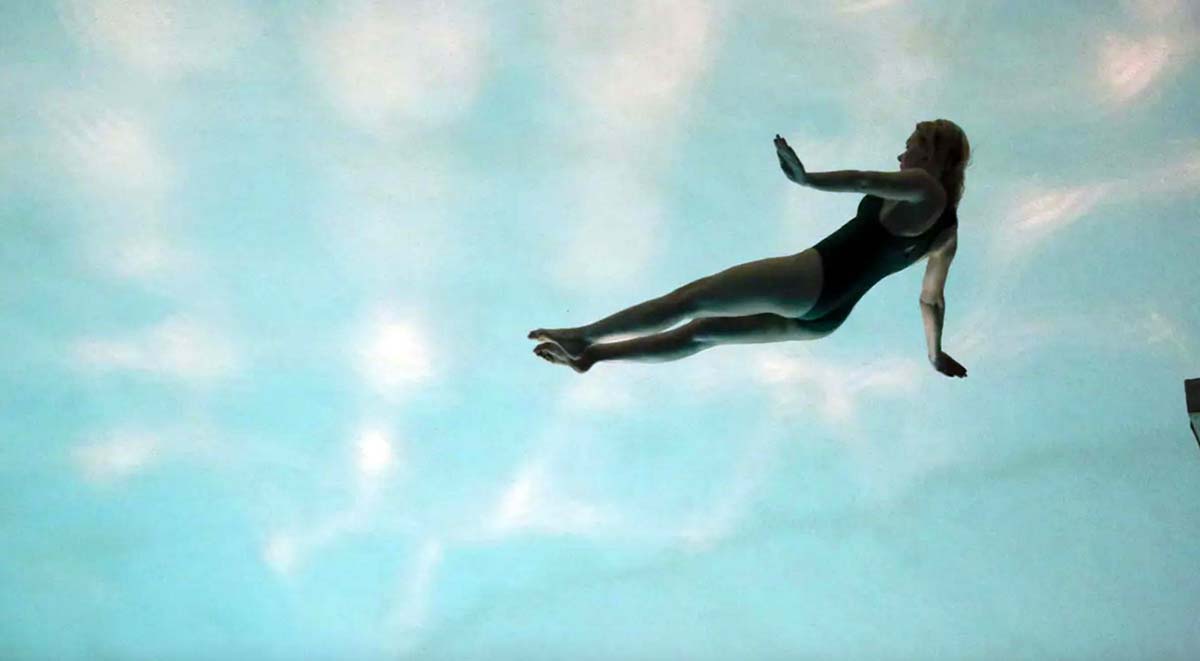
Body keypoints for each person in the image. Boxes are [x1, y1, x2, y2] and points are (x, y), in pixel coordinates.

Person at [530, 119, 971, 379]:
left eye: (911, 145)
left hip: (811, 280)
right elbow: (931, 299)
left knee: (692, 300)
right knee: (702, 333)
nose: (902, 153)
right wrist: (933, 354)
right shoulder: (946, 231)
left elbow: (863, 180)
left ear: (932, 154)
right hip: (828, 318)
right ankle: (593, 355)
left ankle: (585, 335)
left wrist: (807, 179)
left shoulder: (924, 186)